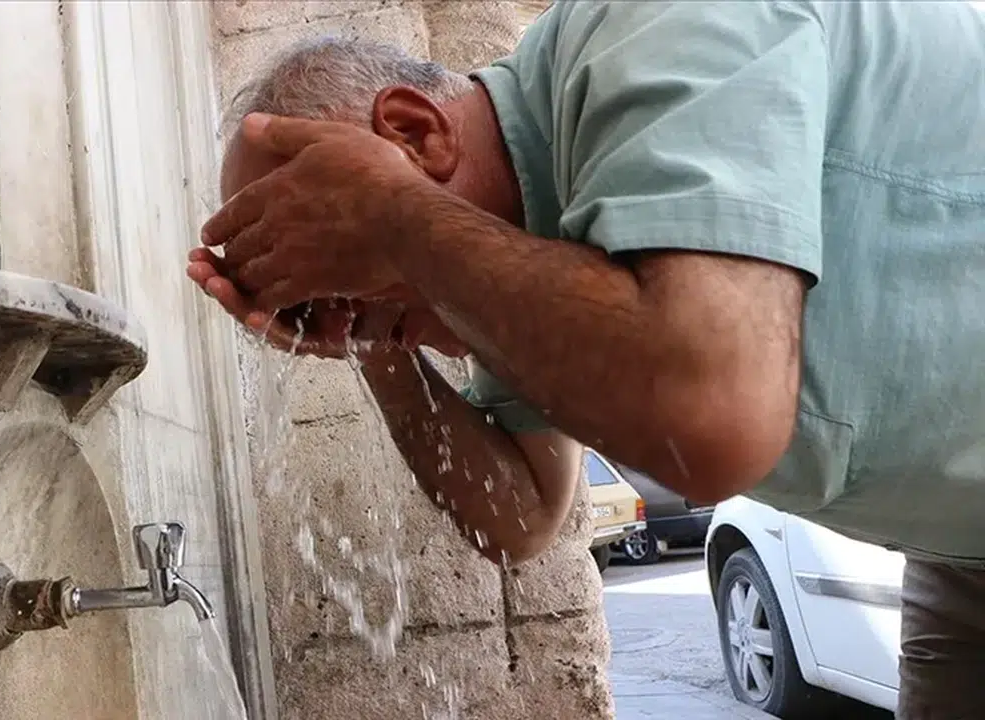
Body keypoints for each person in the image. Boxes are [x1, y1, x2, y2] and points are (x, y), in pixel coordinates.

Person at [186, 2, 984, 718]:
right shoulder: (510, 263)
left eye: (320, 238)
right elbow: (519, 517)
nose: (326, 293)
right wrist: (371, 332)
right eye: (312, 288)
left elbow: (713, 419)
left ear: (416, 135)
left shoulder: (657, 30)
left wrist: (393, 221)